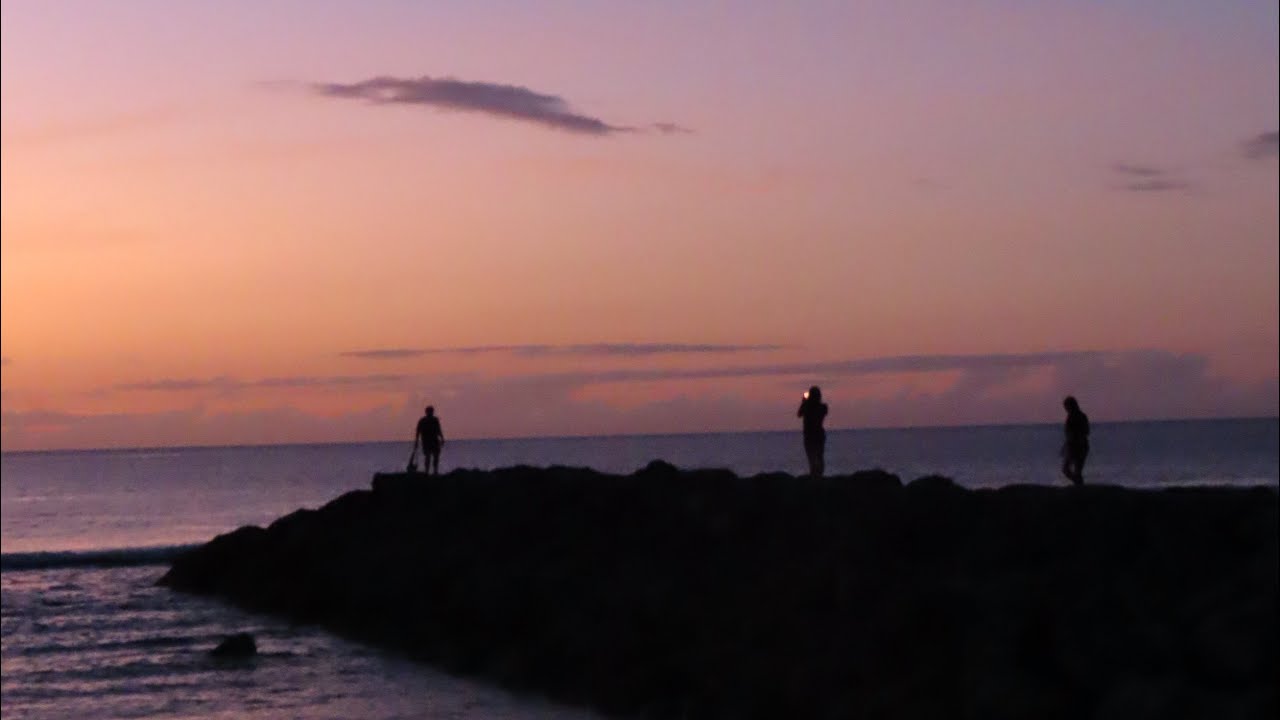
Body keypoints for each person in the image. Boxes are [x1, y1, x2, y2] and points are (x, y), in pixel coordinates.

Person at [797, 386, 828, 477]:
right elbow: (800, 414)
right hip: (818, 435)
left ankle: (815, 475)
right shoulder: (822, 407)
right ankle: (818, 475)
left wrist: (804, 402)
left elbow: (799, 414)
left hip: (810, 435)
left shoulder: (809, 407)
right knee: (818, 456)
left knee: (813, 456)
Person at [1060, 396, 1089, 486]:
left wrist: (1076, 438)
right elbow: (1069, 434)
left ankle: (1079, 486)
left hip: (1079, 446)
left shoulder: (1080, 416)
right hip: (1072, 446)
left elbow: (1086, 431)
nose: (1066, 409)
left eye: (1067, 407)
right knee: (1067, 469)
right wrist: (1065, 446)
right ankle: (1078, 484)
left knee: (1076, 469)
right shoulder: (1070, 417)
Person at [413, 405, 445, 476]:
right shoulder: (422, 421)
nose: (431, 413)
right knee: (428, 457)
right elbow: (418, 432)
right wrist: (416, 442)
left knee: (435, 456)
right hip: (427, 442)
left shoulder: (435, 420)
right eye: (430, 411)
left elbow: (438, 430)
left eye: (431, 411)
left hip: (434, 441)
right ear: (426, 412)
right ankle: (427, 472)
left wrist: (442, 438)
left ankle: (435, 471)